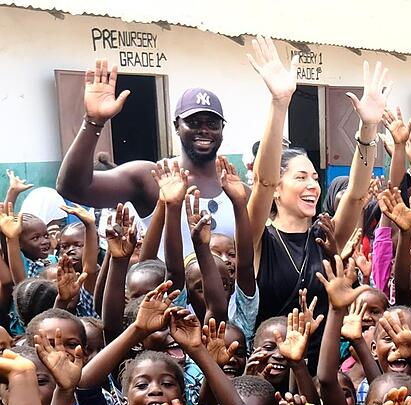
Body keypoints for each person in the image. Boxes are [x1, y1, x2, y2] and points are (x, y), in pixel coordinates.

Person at [245, 36, 387, 370]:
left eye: (314, 177)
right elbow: (262, 181)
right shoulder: (256, 238)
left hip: (322, 370)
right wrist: (280, 103)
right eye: (300, 177)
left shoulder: (327, 234)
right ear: (277, 190)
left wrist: (368, 127)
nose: (312, 185)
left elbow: (355, 192)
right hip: (272, 368)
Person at [56, 59, 238, 258]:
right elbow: (72, 188)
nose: (203, 129)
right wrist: (94, 122)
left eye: (212, 123)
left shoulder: (235, 189)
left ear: (222, 129)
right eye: (193, 122)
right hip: (171, 289)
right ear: (177, 126)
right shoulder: (151, 177)